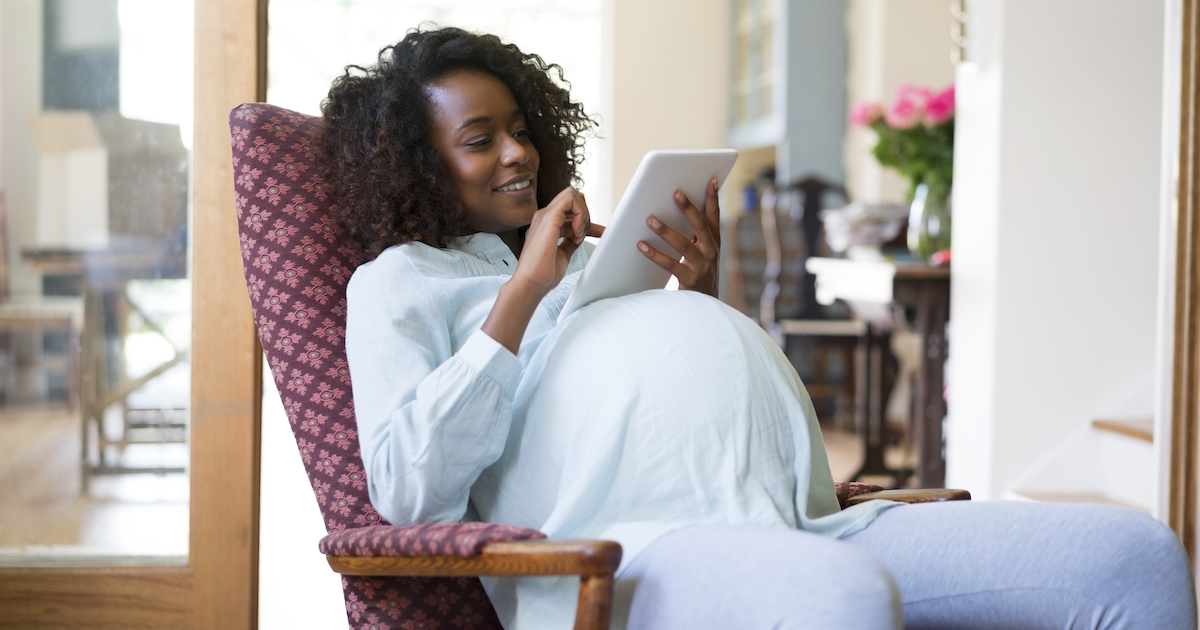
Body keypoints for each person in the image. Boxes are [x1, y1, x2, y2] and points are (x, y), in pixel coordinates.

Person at [322, 26, 1196, 630]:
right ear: (417, 162)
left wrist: (703, 294)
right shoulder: (398, 285)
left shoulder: (580, 256)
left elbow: (673, 383)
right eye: (481, 140)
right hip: (637, 550)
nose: (518, 153)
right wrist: (520, 295)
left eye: (519, 130)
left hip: (805, 518)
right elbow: (408, 488)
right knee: (837, 599)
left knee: (1135, 557)